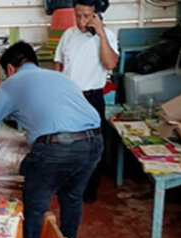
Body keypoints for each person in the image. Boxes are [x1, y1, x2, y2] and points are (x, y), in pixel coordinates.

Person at [0, 41, 103, 238]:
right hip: (95, 142)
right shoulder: (59, 77)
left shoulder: (11, 83)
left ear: (10, 69)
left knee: (35, 203)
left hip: (56, 148)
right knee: (72, 197)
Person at [54, 0, 119, 203]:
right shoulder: (68, 35)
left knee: (92, 146)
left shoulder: (106, 36)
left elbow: (110, 64)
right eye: (78, 15)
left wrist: (99, 33)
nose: (81, 21)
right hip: (68, 96)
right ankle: (66, 187)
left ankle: (89, 191)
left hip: (92, 98)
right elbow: (59, 63)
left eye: (87, 16)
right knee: (65, 143)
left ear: (96, 16)